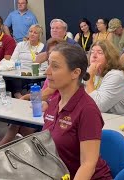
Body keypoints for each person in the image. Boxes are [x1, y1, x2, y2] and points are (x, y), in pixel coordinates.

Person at [42, 43, 112, 179]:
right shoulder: (54, 102)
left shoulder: (87, 110)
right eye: (48, 64)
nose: (47, 71)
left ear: (75, 73)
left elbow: (88, 164)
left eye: (55, 66)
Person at [0, 38, 64, 147]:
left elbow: (47, 93)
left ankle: (5, 147)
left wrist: (25, 97)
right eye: (50, 53)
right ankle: (6, 147)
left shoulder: (59, 74)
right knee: (17, 121)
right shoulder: (50, 70)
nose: (51, 55)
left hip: (52, 110)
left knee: (21, 122)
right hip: (44, 106)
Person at [86, 40, 124, 116]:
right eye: (92, 52)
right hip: (106, 117)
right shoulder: (92, 72)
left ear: (109, 57)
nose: (94, 56)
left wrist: (89, 78)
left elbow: (98, 106)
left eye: (100, 53)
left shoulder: (116, 76)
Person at [9, 24, 44, 98]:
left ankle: (21, 97)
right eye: (31, 31)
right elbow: (13, 59)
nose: (32, 34)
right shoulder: (21, 45)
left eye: (35, 32)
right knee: (10, 78)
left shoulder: (42, 47)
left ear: (39, 36)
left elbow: (44, 65)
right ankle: (18, 95)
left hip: (34, 73)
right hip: (19, 71)